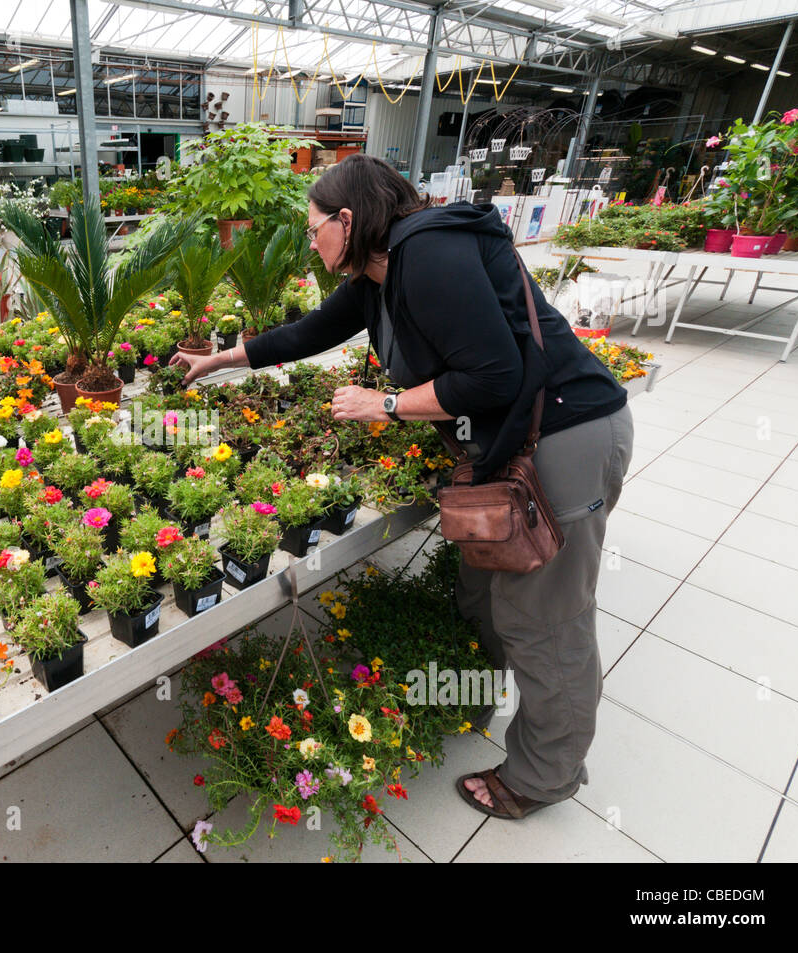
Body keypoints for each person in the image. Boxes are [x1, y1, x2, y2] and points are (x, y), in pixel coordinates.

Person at [170, 154, 634, 821]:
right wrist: (223, 357)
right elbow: (311, 331)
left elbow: (496, 376)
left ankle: (543, 774)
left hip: (567, 437)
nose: (308, 241)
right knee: (482, 586)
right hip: (515, 442)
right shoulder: (378, 274)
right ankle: (477, 690)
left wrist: (382, 406)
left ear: (350, 219)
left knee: (548, 620)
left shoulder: (432, 256)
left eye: (312, 228)